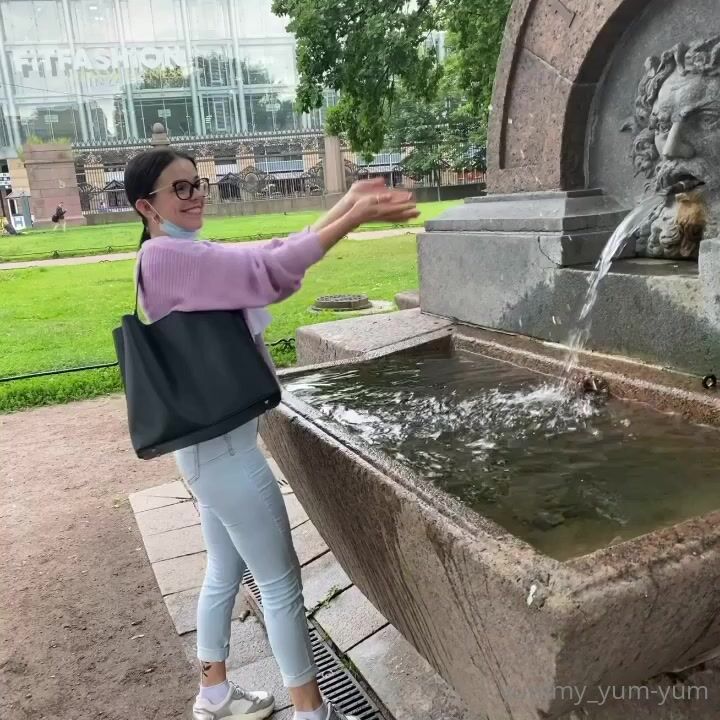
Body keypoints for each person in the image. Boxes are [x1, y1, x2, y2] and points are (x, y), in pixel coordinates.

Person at [123, 148, 419, 720]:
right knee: (280, 585)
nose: (195, 194)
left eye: (197, 183)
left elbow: (266, 256)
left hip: (208, 453)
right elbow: (268, 274)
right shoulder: (166, 258)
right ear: (146, 206)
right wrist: (354, 217)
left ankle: (214, 694)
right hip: (227, 457)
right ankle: (311, 712)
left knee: (224, 570)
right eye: (179, 188)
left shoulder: (177, 253)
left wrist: (346, 203)